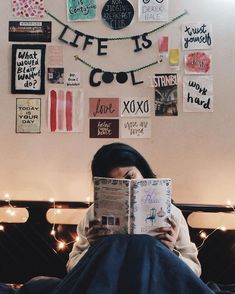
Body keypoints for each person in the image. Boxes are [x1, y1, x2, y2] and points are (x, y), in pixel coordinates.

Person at [52, 142, 213, 294]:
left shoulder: (171, 214)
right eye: (114, 184)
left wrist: (170, 254)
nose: (126, 187)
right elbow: (72, 269)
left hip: (155, 286)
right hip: (108, 287)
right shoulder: (93, 216)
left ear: (142, 170)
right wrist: (93, 250)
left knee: (147, 245)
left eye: (130, 177)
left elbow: (194, 271)